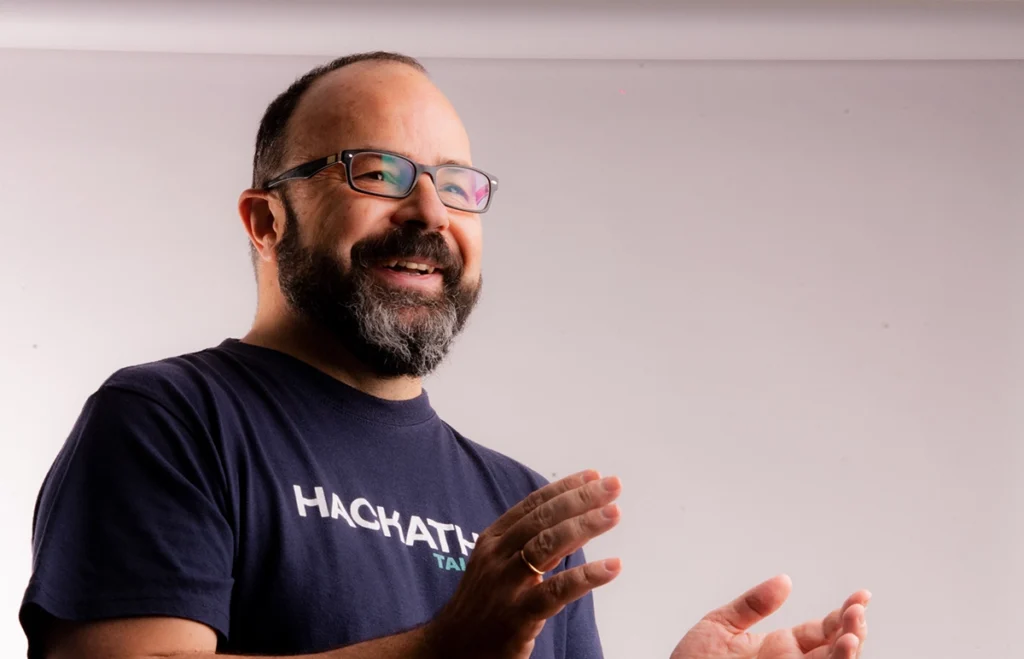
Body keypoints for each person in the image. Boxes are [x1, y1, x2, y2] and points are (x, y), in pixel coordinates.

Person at [20, 51, 870, 659]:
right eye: (379, 171)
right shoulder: (172, 421)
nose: (429, 211)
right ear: (264, 219)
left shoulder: (521, 510)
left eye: (457, 183)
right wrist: (437, 653)